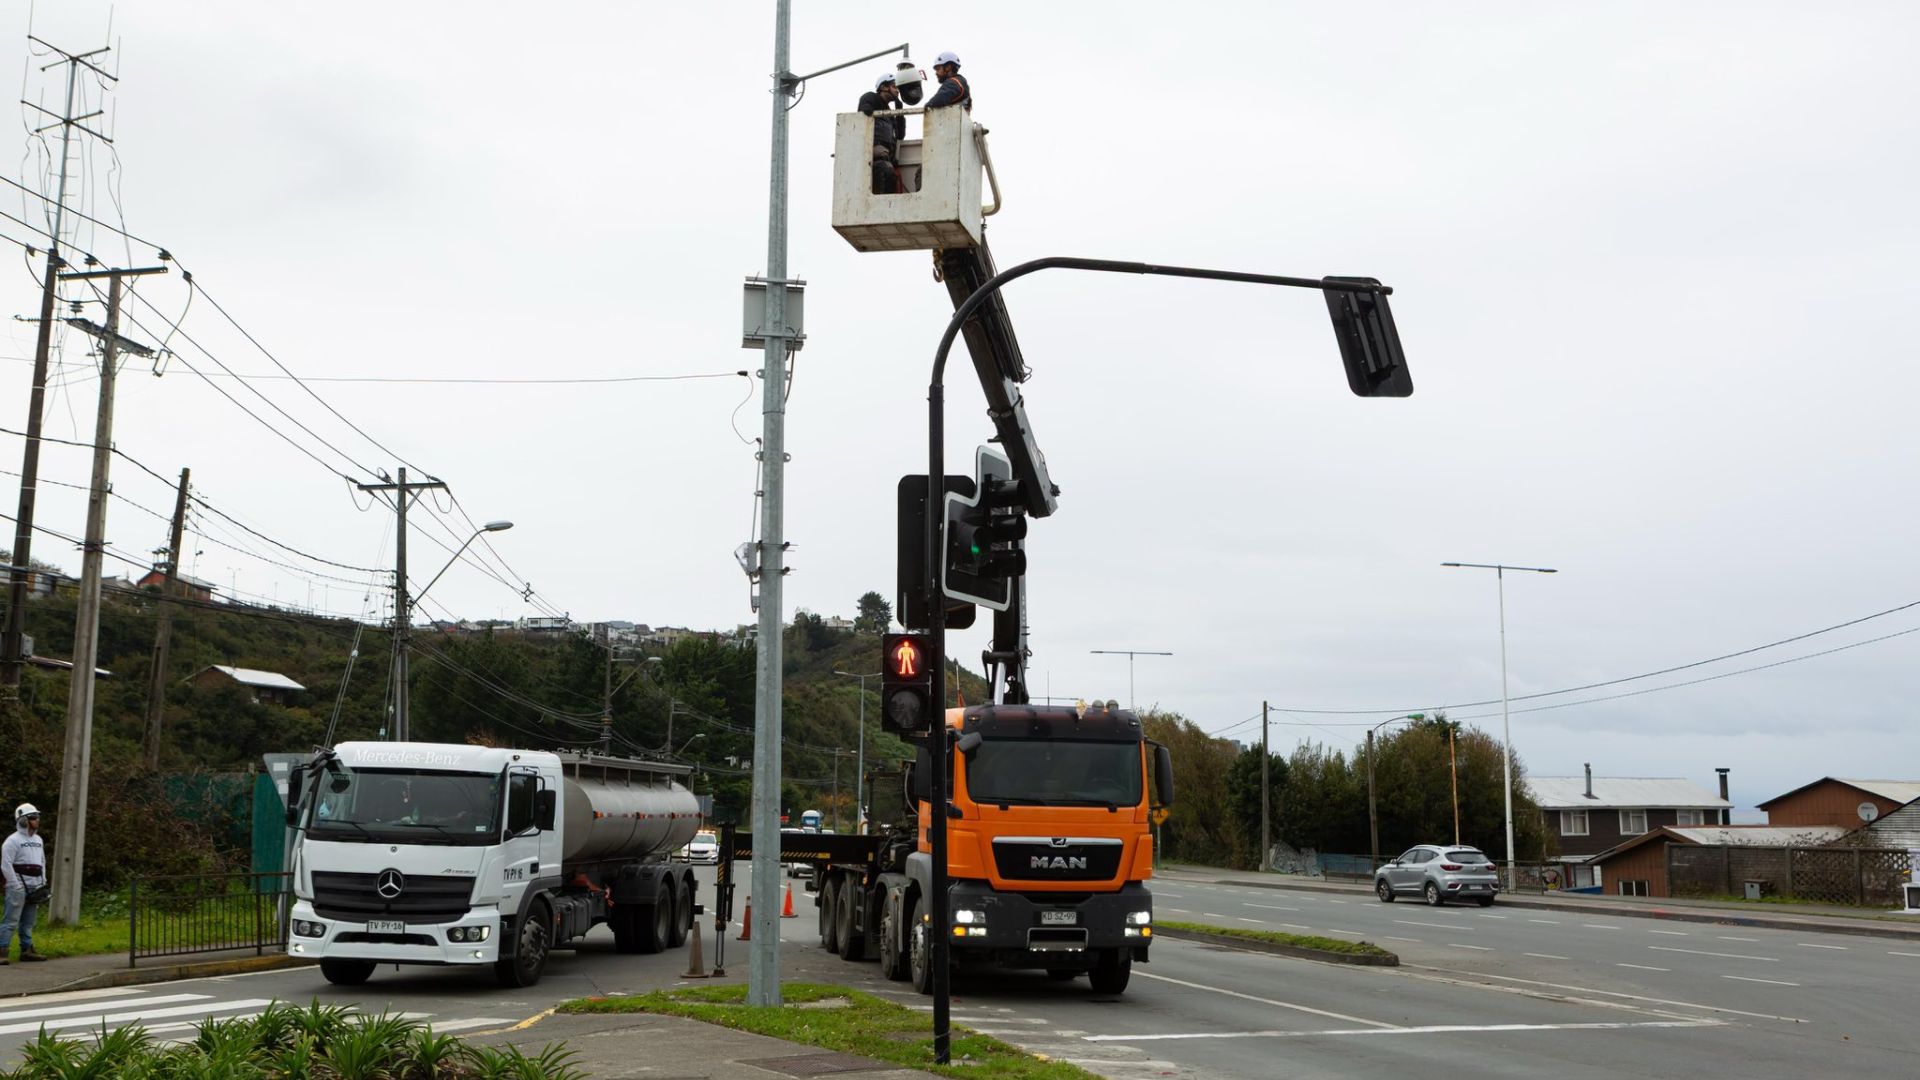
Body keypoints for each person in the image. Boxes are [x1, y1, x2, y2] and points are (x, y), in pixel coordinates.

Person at [1, 804, 48, 964]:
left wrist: (43, 881)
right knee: (10, 921)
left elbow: (42, 861)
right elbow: (6, 865)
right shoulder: (12, 841)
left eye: (37, 817)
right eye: (33, 817)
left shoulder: (38, 840)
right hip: (18, 886)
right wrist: (15, 885)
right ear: (23, 820)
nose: (37, 820)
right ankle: (2, 951)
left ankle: (27, 950)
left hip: (35, 886)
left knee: (28, 922)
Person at [857, 72, 906, 194]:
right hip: (874, 153)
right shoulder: (871, 97)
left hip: (887, 156)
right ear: (884, 87)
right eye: (894, 86)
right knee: (886, 172)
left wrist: (900, 113)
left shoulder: (889, 115)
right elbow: (865, 109)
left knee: (892, 177)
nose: (897, 91)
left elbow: (900, 134)